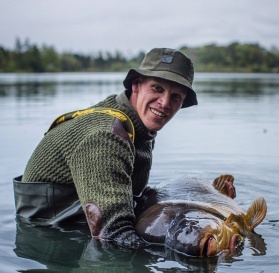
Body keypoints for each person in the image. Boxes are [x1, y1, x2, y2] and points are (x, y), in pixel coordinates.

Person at [13, 48, 233, 249]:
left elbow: (132, 196)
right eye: (157, 88)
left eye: (175, 96)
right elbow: (115, 234)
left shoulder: (138, 127)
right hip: (48, 240)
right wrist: (190, 250)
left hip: (77, 226)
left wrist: (211, 199)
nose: (165, 103)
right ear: (136, 85)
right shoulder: (106, 136)